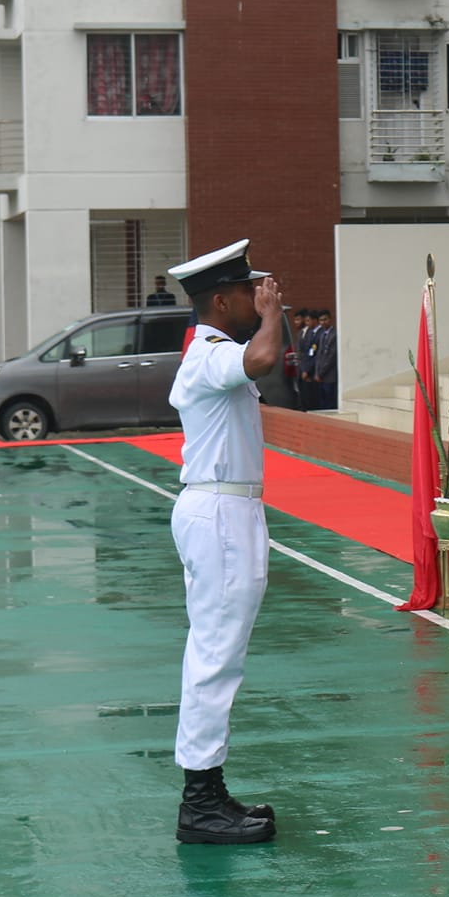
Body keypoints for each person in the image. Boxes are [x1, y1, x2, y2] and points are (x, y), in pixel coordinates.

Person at [163, 239, 287, 845]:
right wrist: (273, 316)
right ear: (220, 300)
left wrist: (265, 317)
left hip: (227, 511)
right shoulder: (211, 352)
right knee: (215, 657)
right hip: (218, 514)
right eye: (246, 291)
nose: (255, 297)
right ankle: (200, 801)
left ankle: (208, 789)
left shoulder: (213, 351)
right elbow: (263, 359)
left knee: (215, 654)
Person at [314, 309, 339, 409]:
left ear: (330, 319)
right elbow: (319, 355)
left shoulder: (334, 334)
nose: (323, 322)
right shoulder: (322, 335)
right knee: (322, 402)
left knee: (329, 402)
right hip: (320, 376)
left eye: (325, 319)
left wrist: (321, 373)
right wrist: (316, 372)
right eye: (321, 320)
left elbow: (331, 357)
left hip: (329, 376)